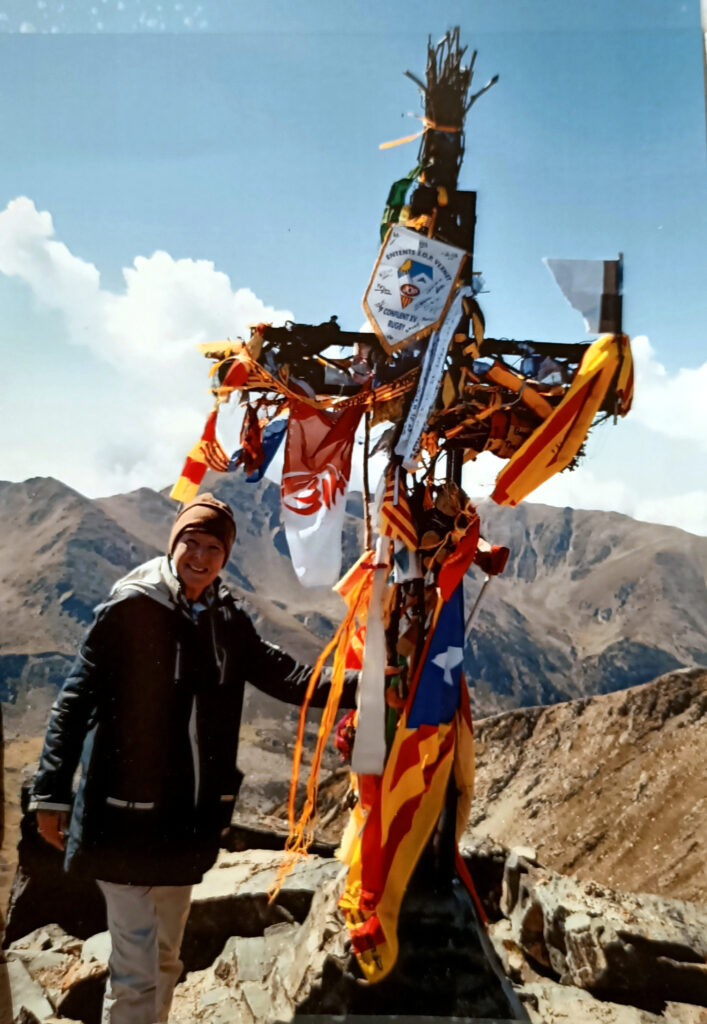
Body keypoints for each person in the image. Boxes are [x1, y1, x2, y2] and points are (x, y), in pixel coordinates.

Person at [31, 493, 355, 1024]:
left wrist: (363, 688)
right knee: (135, 972)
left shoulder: (225, 617)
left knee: (164, 960)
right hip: (122, 819)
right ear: (173, 543)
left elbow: (287, 677)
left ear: (225, 557)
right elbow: (75, 700)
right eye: (191, 542)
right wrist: (52, 793)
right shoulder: (130, 608)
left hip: (184, 822)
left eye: (213, 547)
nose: (200, 557)